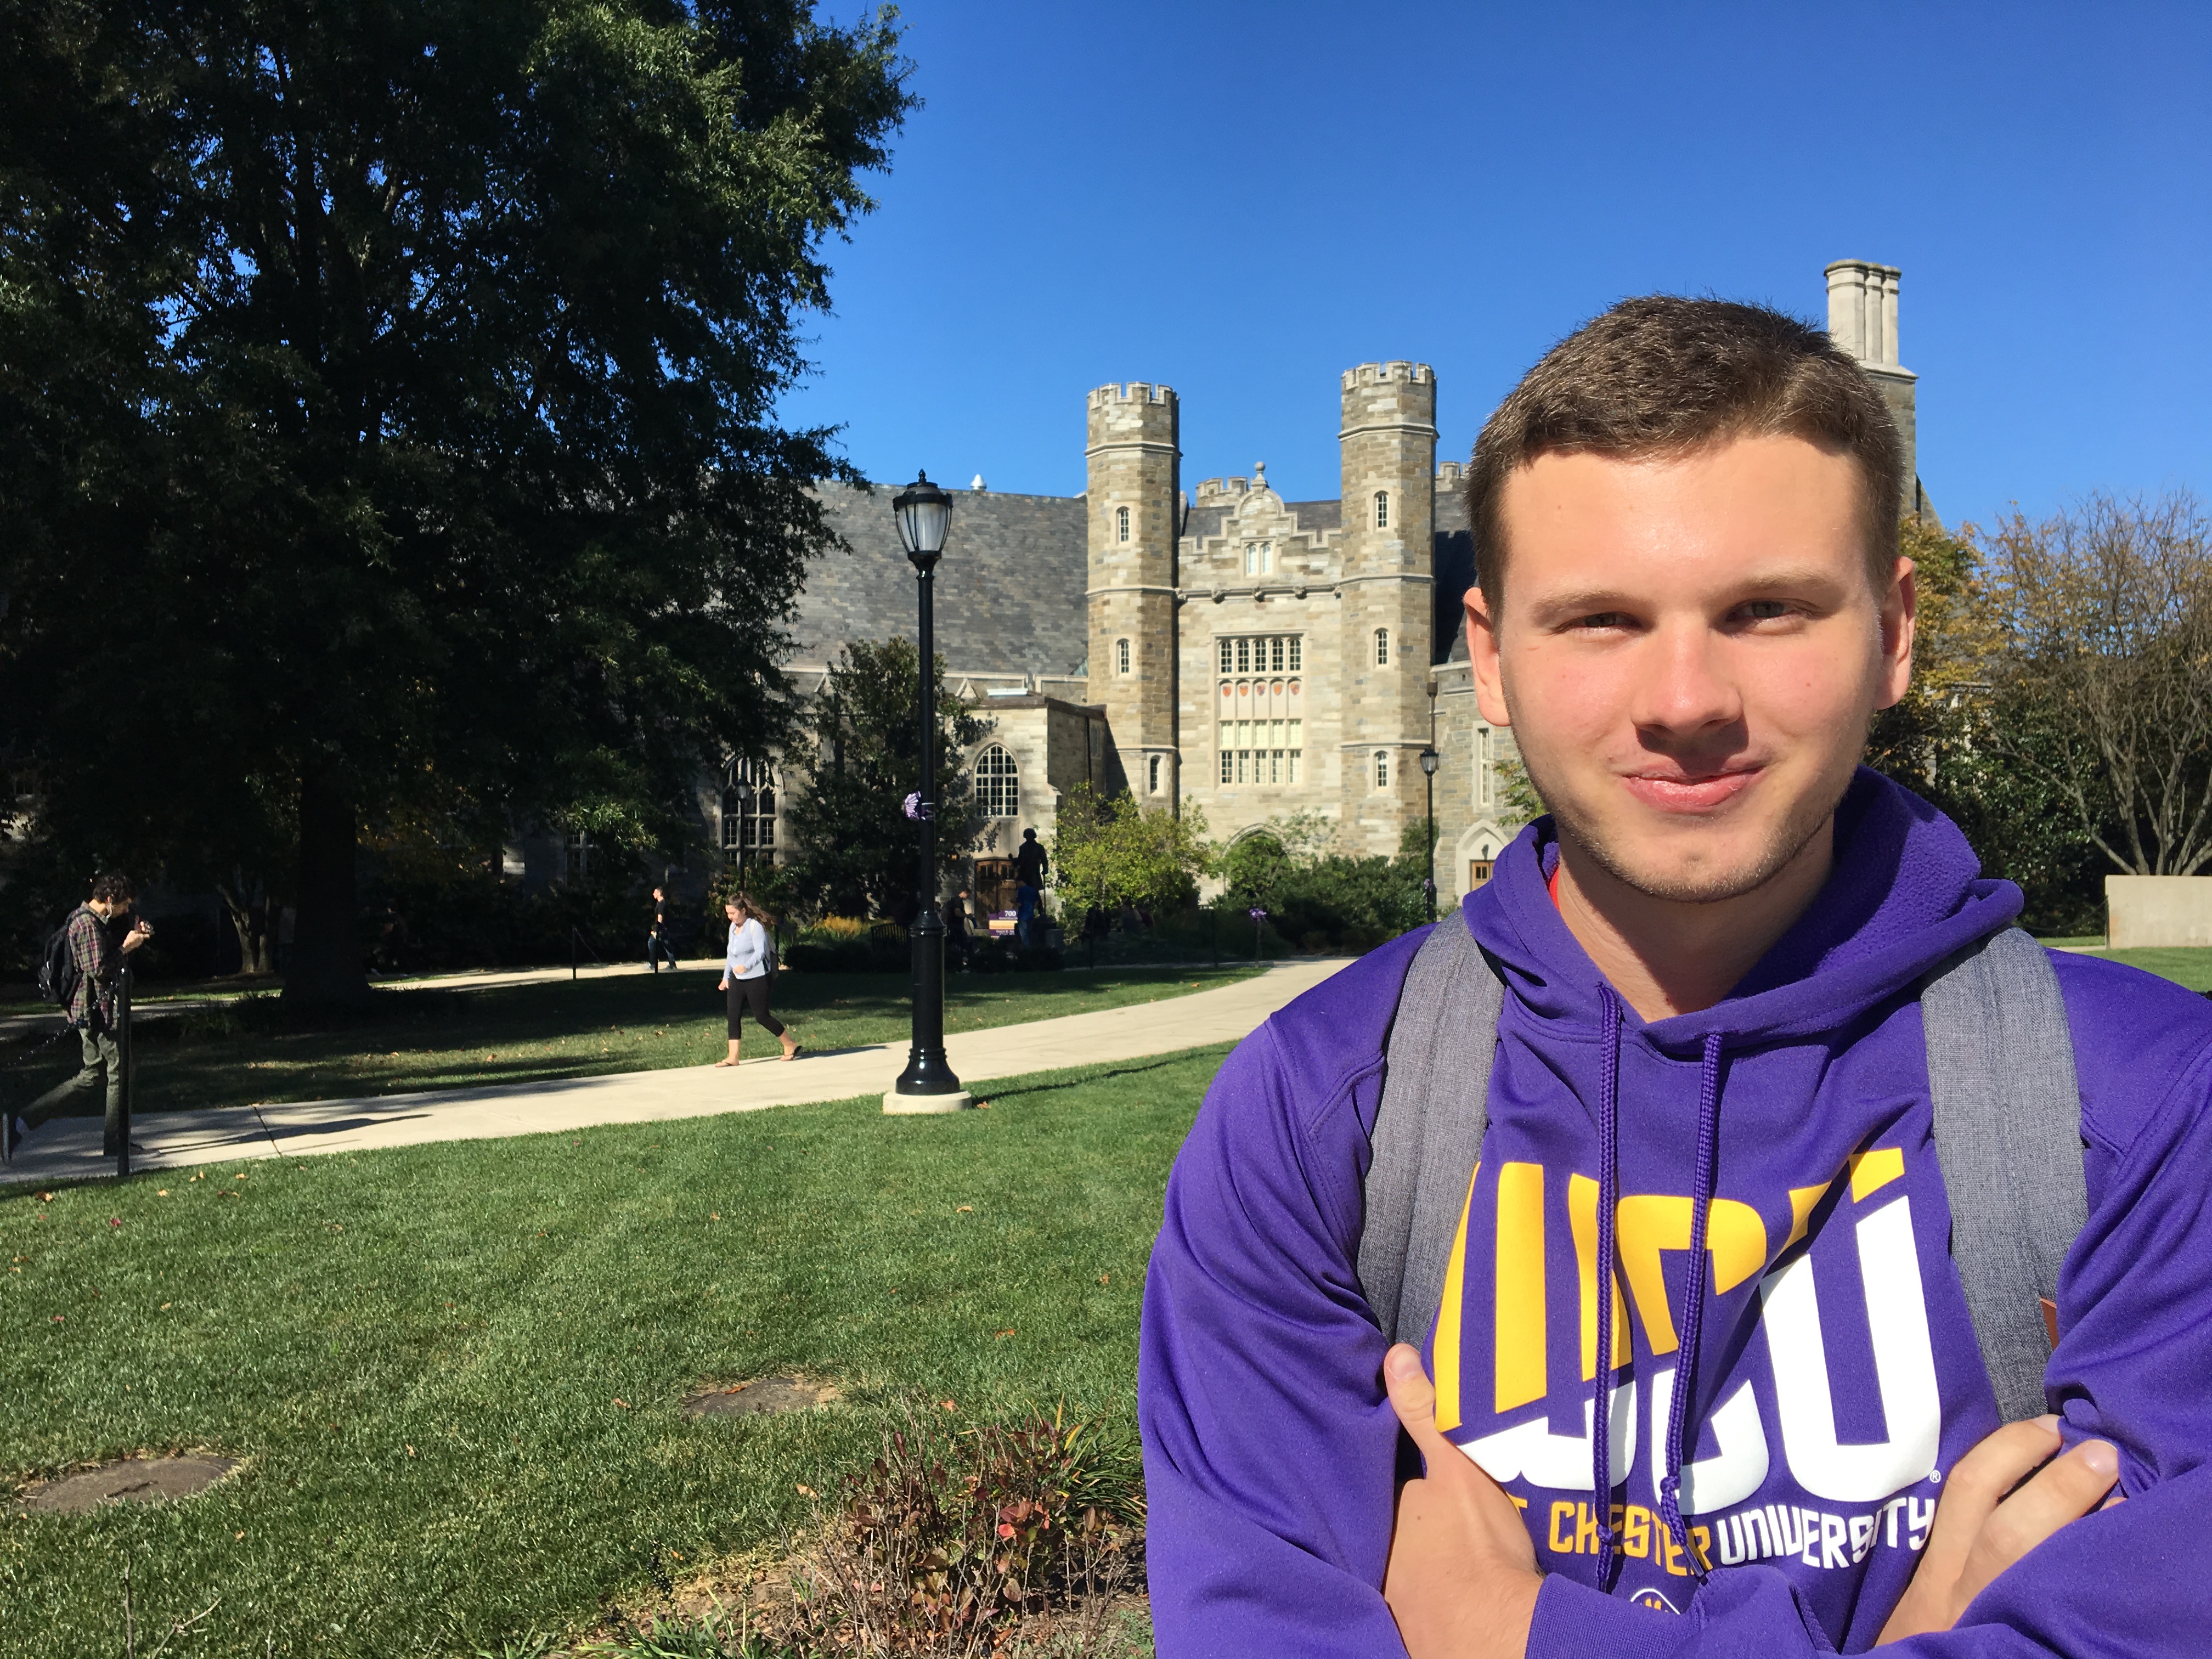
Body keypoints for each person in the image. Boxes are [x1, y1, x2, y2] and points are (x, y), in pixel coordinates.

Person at [1138, 298, 2212, 1658]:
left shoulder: (2154, 1113)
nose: (1686, 698)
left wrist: (1516, 1630)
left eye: (1767, 610)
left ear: (1892, 635)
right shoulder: (1317, 1116)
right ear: (1487, 659)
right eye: (1598, 620)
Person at [5, 872, 153, 1162]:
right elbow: (98, 969)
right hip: (97, 1014)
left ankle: (18, 1124)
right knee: (122, 1071)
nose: (126, 910)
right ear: (110, 900)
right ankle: (116, 1144)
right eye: (124, 905)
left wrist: (134, 938)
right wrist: (128, 946)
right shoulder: (86, 924)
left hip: (93, 1012)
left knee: (93, 1074)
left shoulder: (95, 921)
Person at [715, 893, 797, 1066]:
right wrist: (726, 978)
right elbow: (731, 954)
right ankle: (733, 1057)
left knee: (761, 1016)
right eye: (728, 914)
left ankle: (789, 1044)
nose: (730, 917)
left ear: (743, 910)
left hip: (758, 978)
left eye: (733, 914)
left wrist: (747, 966)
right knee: (733, 1015)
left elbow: (761, 952)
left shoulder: (755, 927)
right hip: (736, 979)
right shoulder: (732, 928)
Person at [646, 885, 678, 973]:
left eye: (655, 892)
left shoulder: (661, 904)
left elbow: (660, 918)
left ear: (659, 893)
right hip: (665, 929)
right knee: (667, 946)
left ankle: (652, 964)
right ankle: (672, 965)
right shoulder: (661, 903)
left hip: (662, 929)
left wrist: (656, 930)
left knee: (651, 943)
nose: (653, 894)